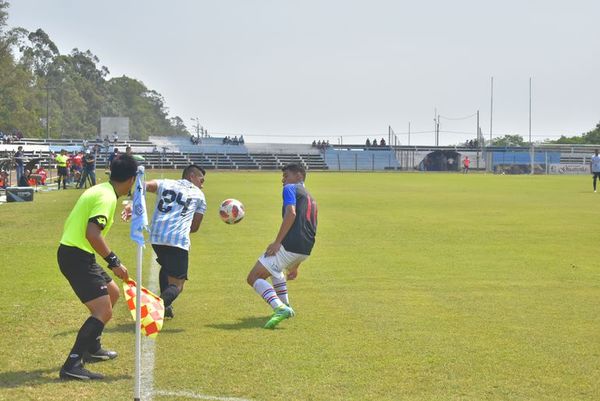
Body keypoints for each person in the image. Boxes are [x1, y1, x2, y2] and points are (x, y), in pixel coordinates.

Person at [57, 154, 137, 380]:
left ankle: (91, 348)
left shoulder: (103, 190)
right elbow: (92, 234)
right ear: (130, 179)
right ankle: (72, 365)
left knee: (112, 293)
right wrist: (114, 262)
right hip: (76, 255)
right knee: (103, 310)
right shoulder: (107, 198)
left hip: (79, 252)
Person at [123, 165, 207, 319]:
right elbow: (194, 228)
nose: (202, 184)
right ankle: (152, 309)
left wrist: (132, 204)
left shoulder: (166, 183)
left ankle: (166, 307)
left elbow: (143, 185)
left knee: (167, 268)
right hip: (177, 241)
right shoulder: (199, 195)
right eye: (201, 180)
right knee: (177, 285)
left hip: (156, 237)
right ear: (192, 176)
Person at [246, 163, 318, 329]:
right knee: (275, 270)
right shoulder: (311, 198)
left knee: (254, 277)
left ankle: (279, 308)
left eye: (286, 176)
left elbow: (291, 213)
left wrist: (278, 242)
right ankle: (287, 306)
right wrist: (296, 264)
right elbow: (311, 226)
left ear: (299, 176)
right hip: (305, 249)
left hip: (291, 245)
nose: (283, 180)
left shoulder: (290, 189)